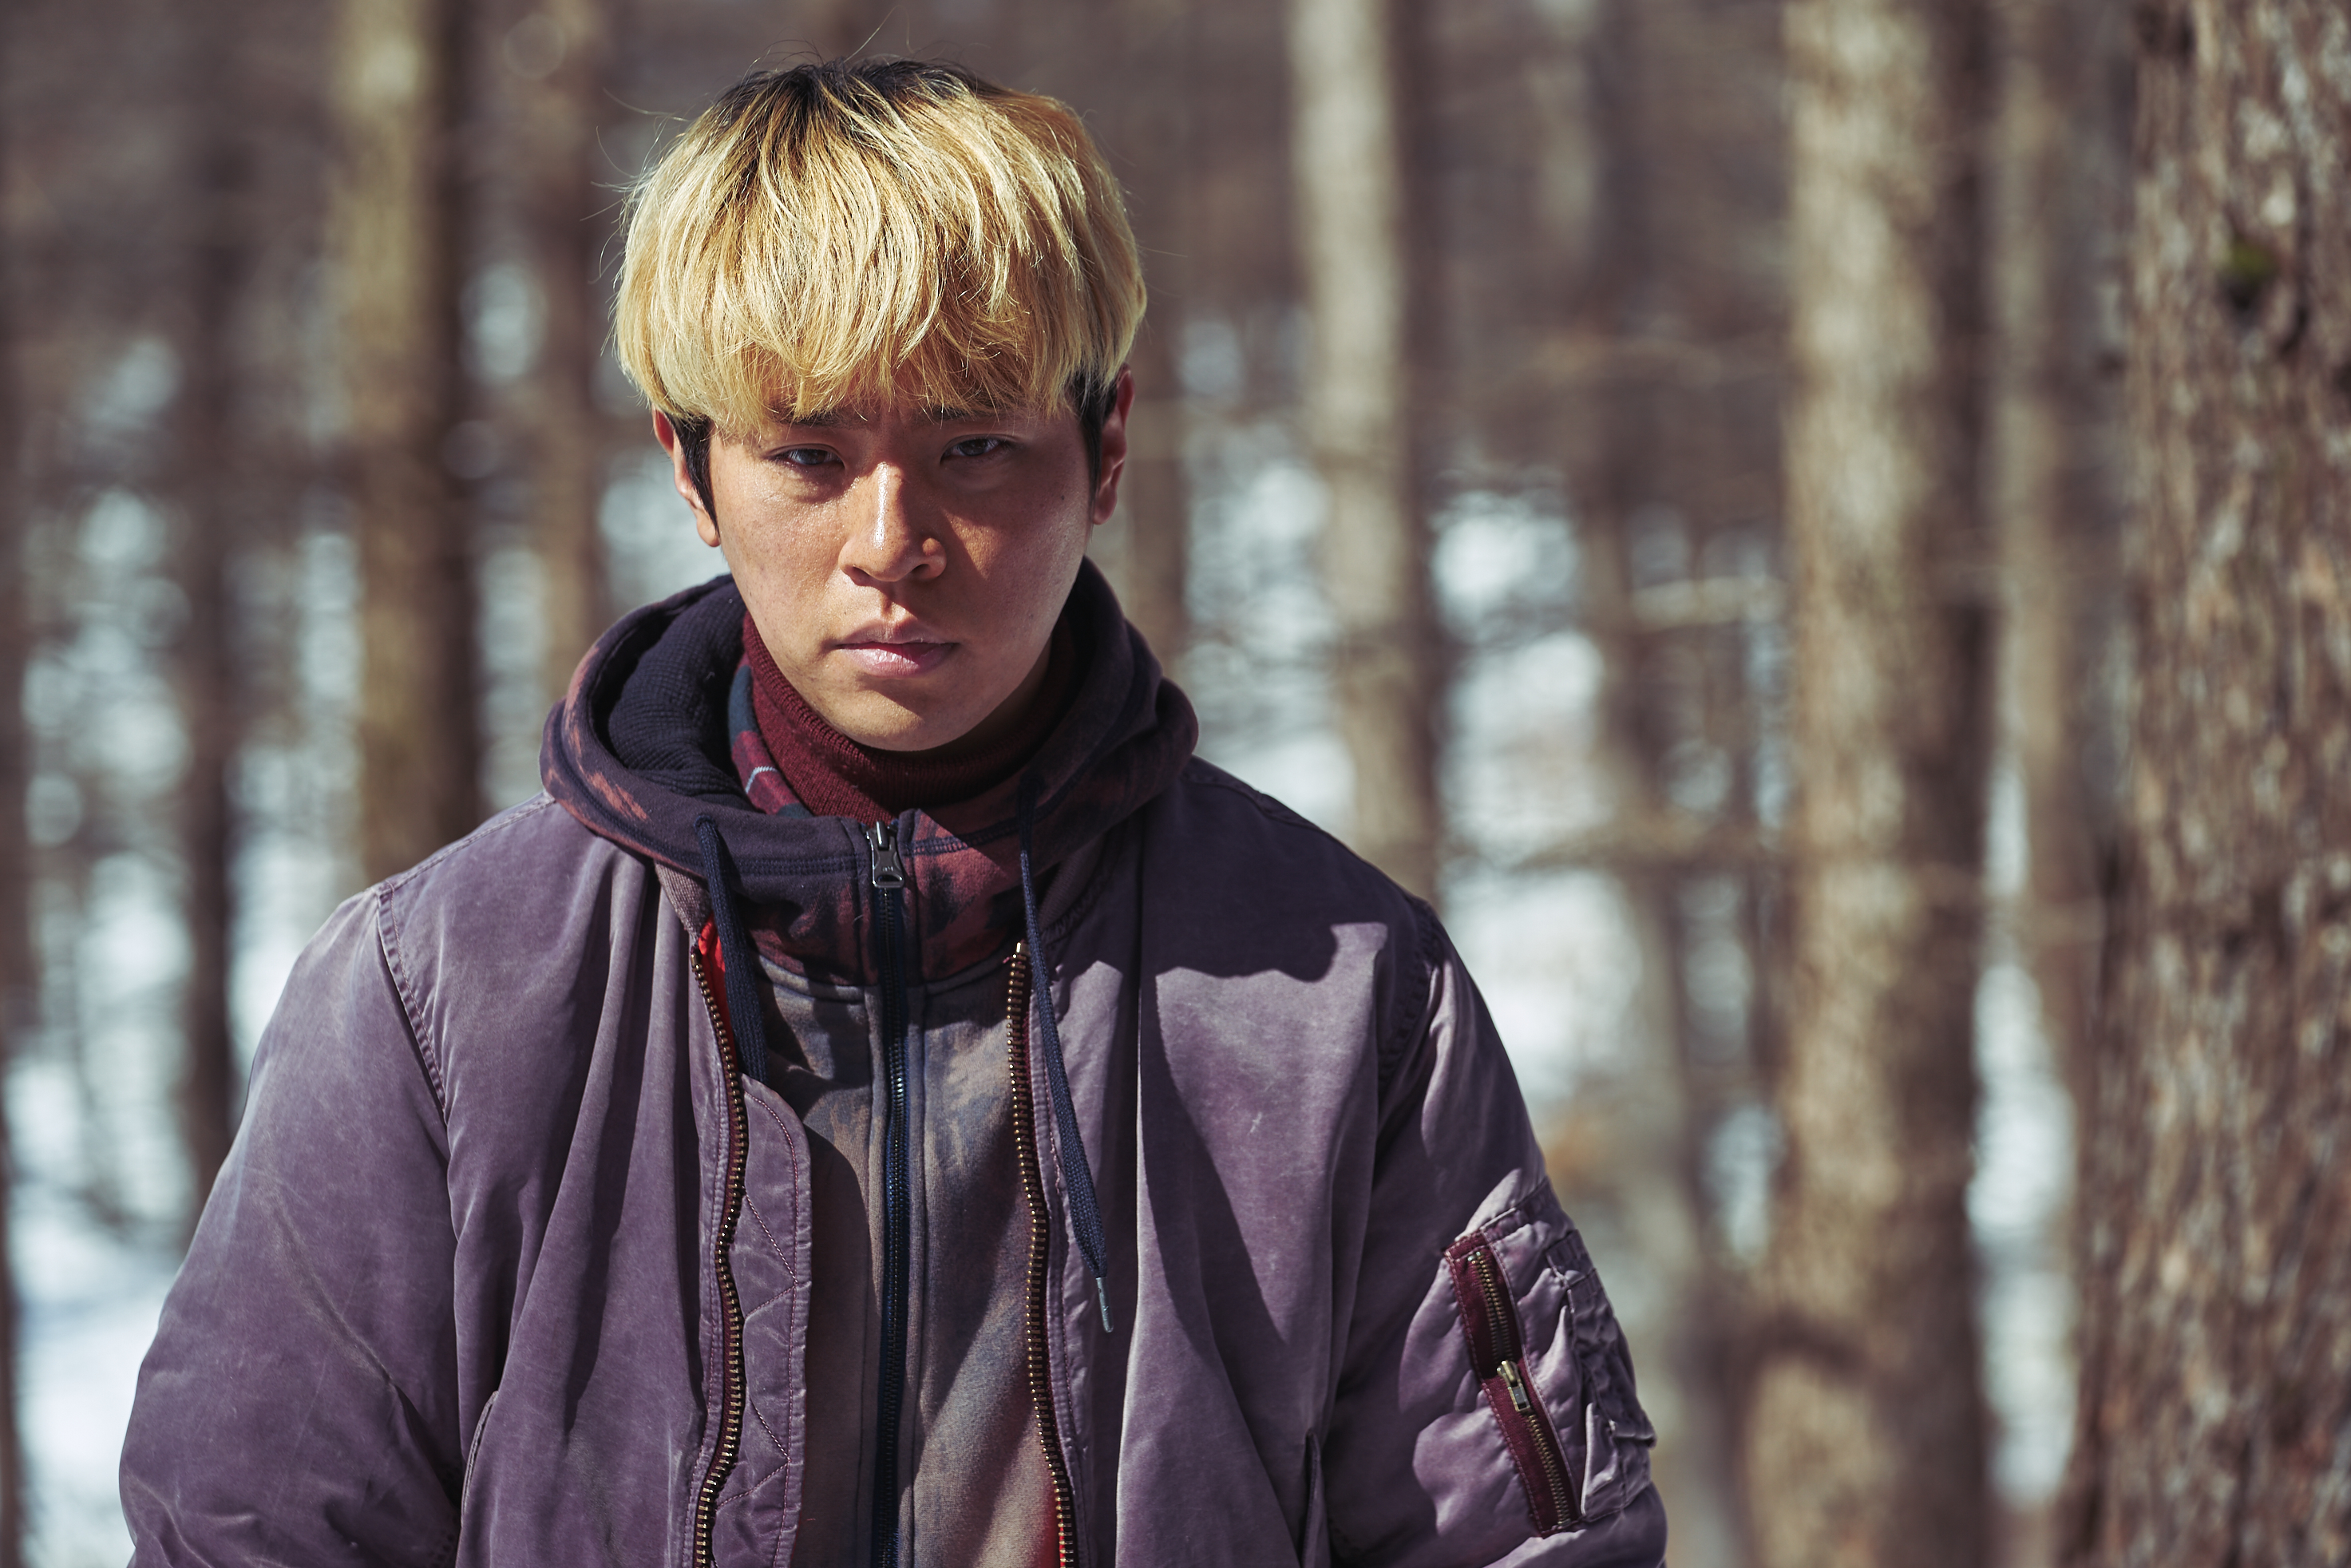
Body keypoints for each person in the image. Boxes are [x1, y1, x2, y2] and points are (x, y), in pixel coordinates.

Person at [120, 58, 1665, 1568]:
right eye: (809, 454)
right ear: (691, 468)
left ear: (1106, 446)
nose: (892, 539)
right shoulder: (442, 990)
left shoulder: (1334, 996)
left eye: (972, 445)